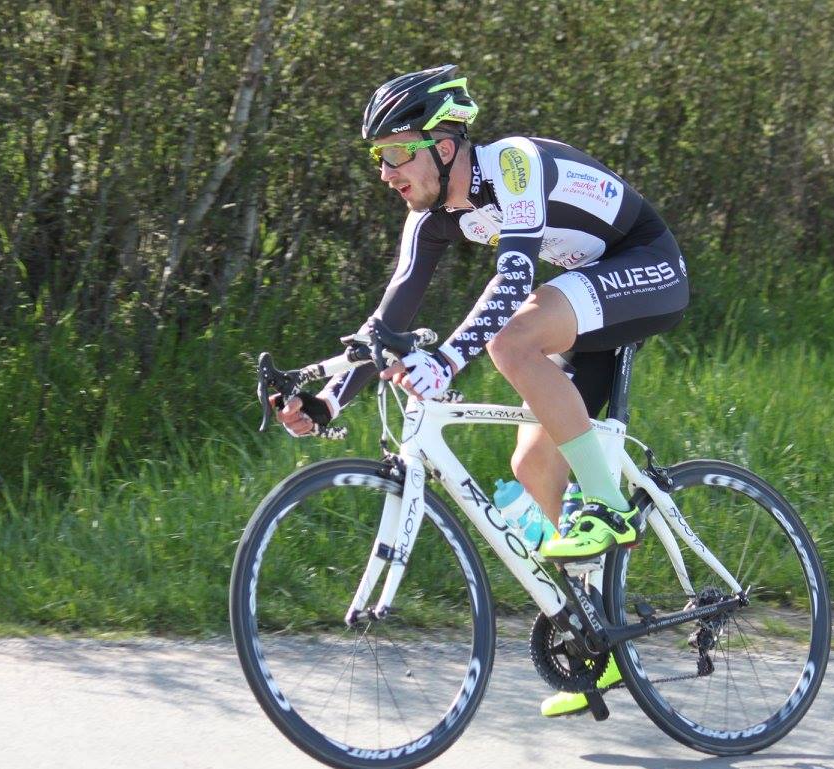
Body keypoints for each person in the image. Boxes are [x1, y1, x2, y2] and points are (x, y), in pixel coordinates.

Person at [277, 64, 689, 716]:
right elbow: (384, 328)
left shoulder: (514, 166)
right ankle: (600, 638)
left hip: (646, 267)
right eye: (378, 159)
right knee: (529, 465)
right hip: (588, 294)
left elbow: (514, 276)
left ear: (445, 144)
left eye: (395, 154)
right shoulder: (433, 217)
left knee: (511, 341)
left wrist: (447, 360)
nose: (385, 173)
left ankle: (608, 506)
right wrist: (328, 398)